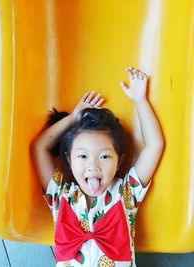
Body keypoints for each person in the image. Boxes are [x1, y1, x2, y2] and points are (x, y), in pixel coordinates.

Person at [32, 67, 164, 267]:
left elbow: (155, 145)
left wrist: (140, 101)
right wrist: (74, 118)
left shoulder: (126, 193)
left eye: (104, 156)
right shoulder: (60, 194)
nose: (93, 165)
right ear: (69, 159)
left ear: (119, 161)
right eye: (83, 156)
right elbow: (39, 147)